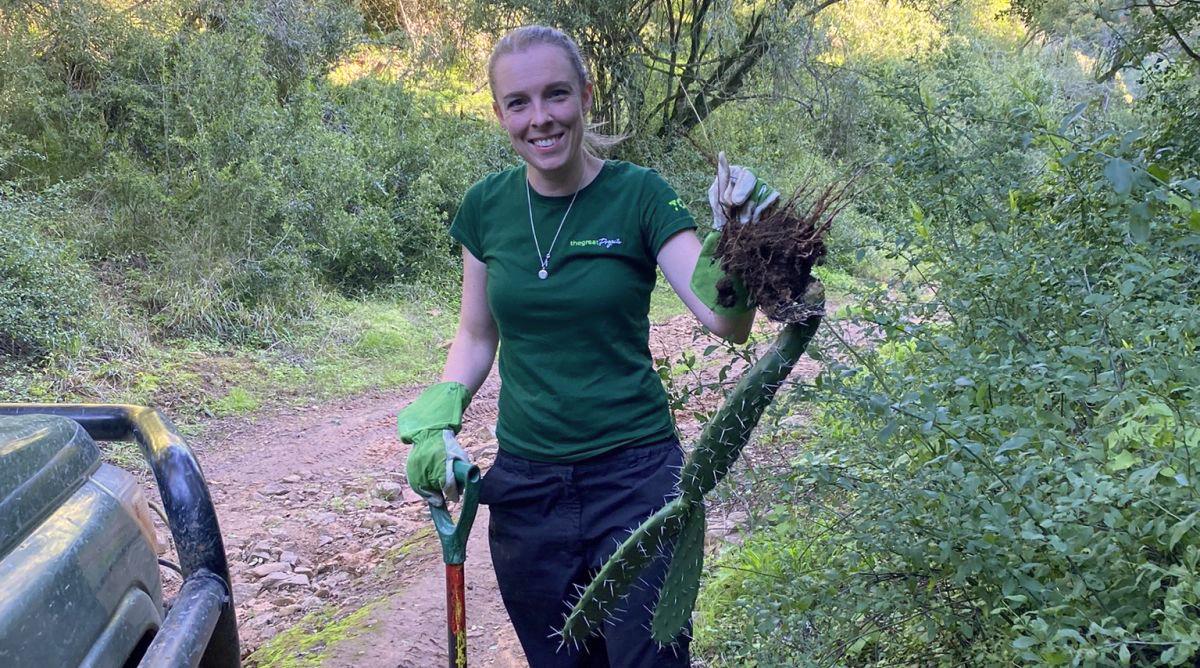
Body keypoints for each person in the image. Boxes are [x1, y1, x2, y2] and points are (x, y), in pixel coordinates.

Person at [395, 25, 778, 668]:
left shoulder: (640, 194)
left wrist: (741, 237)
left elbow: (726, 321)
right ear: (499, 113)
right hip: (526, 493)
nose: (540, 118)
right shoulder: (486, 208)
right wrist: (440, 416)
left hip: (637, 482)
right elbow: (476, 333)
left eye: (556, 96)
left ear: (585, 97)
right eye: (518, 102)